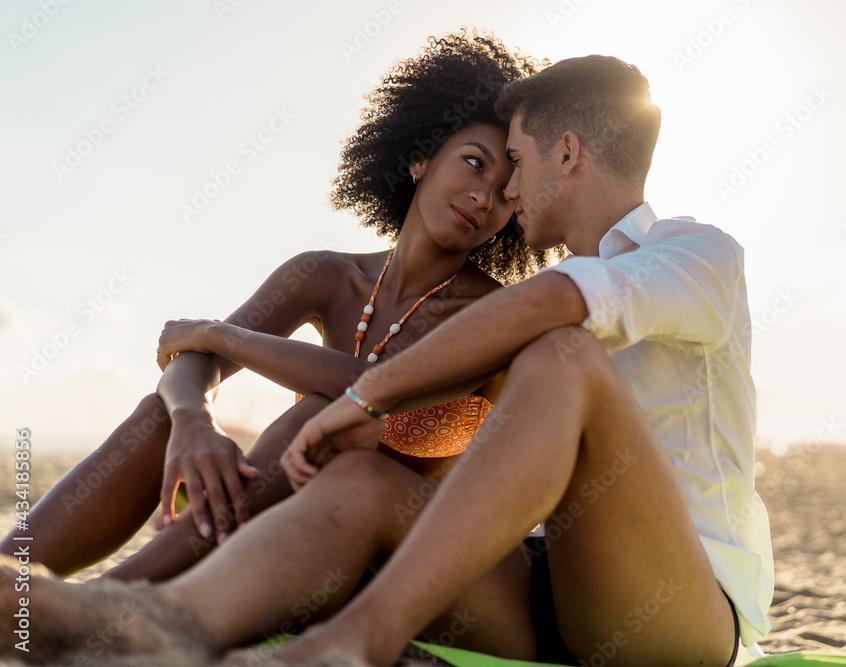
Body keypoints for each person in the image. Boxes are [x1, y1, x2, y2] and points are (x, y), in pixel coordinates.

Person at [0, 52, 773, 667]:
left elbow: (547, 311)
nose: (506, 186)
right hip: (546, 592)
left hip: (683, 611)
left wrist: (360, 400)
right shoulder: (349, 273)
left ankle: (354, 641)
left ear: (565, 154)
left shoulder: (694, 255)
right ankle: (142, 622)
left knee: (560, 354)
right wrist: (196, 411)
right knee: (364, 481)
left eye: (516, 163)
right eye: (485, 162)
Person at [0, 30, 551, 582]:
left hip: (396, 556)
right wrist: (194, 419)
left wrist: (220, 336)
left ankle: (102, 605)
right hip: (281, 529)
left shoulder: (496, 311)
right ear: (419, 158)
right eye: (475, 163)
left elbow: (374, 383)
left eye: (507, 191)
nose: (484, 195)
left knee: (322, 417)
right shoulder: (328, 276)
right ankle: (11, 577)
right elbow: (190, 366)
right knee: (159, 416)